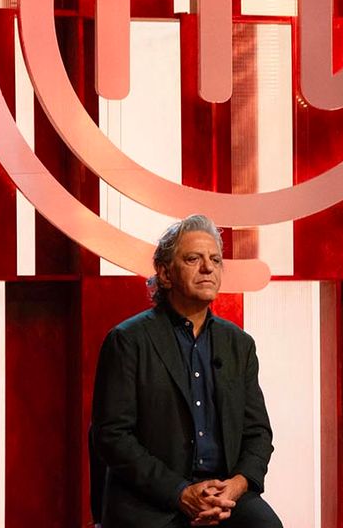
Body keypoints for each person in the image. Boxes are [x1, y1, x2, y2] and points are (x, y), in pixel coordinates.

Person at [90, 215, 281, 528]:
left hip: (223, 493)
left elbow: (258, 432)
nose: (208, 268)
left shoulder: (239, 344)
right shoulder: (128, 341)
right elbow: (112, 436)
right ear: (165, 274)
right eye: (193, 259)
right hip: (151, 500)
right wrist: (180, 492)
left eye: (215, 260)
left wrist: (237, 485)